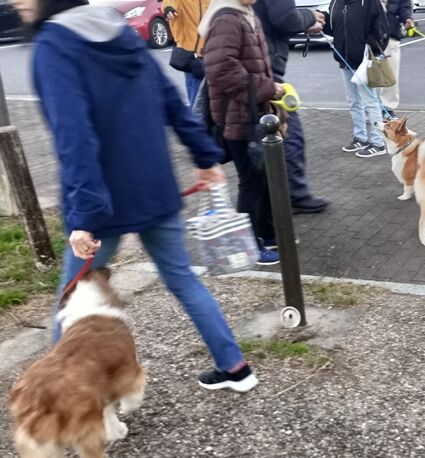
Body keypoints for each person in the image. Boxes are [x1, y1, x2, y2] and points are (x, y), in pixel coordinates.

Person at [12, 0, 258, 392]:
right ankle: (236, 367)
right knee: (183, 280)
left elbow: (74, 135)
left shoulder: (54, 45)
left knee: (71, 295)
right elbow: (169, 99)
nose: (15, 1)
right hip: (155, 188)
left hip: (102, 203)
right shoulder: (118, 31)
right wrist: (204, 155)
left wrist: (84, 218)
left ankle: (62, 394)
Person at [200, 0, 284, 265]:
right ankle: (248, 246)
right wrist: (267, 88)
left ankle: (268, 234)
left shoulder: (245, 14)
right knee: (252, 181)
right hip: (238, 118)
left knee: (263, 178)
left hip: (253, 113)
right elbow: (221, 69)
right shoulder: (227, 19)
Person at [254, 0, 330, 214]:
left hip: (261, 68)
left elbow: (278, 17)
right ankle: (293, 196)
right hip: (264, 72)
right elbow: (284, 17)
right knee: (289, 135)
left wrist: (304, 20)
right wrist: (309, 16)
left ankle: (283, 197)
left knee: (264, 143)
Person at [322, 0, 390, 158]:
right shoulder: (336, 2)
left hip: (364, 61)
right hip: (344, 59)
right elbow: (334, 28)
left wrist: (371, 49)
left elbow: (382, 28)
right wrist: (321, 21)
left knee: (370, 101)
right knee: (353, 100)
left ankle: (378, 142)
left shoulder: (369, 2)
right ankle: (360, 137)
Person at [162, 0, 209, 106]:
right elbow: (169, 2)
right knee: (197, 97)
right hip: (190, 54)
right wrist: (168, 10)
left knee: (207, 97)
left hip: (208, 52)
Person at [378, 0, 413, 121]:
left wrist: (407, 18)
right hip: (369, 34)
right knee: (368, 73)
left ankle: (387, 107)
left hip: (391, 33)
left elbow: (404, 5)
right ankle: (369, 108)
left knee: (391, 73)